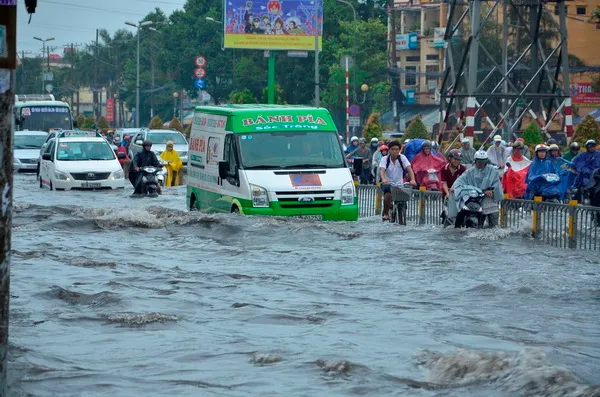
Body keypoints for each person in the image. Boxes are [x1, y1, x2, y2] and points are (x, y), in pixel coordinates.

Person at [448, 150, 504, 228]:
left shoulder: (492, 171)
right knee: (478, 226)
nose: (481, 163)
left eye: (483, 161)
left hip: (490, 200)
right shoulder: (470, 171)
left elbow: (497, 184)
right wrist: (453, 188)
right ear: (475, 160)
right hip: (477, 201)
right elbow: (460, 180)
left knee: (493, 225)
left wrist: (492, 191)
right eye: (479, 161)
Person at [379, 140, 416, 221]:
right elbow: (382, 170)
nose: (395, 151)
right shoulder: (385, 159)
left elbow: (409, 169)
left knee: (404, 198)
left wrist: (413, 179)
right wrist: (384, 180)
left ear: (399, 150)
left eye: (397, 149)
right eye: (392, 149)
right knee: (387, 196)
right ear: (389, 150)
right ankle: (385, 213)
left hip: (400, 184)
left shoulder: (402, 158)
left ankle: (402, 212)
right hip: (388, 184)